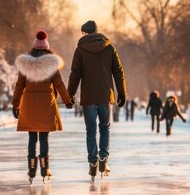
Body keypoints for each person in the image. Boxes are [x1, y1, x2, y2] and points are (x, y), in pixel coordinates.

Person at [68, 20, 126, 182]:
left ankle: (92, 162)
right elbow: (119, 73)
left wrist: (69, 95)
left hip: (88, 98)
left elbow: (75, 74)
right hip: (105, 97)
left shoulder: (80, 50)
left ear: (85, 33)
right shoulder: (109, 48)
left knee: (91, 131)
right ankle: (103, 160)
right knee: (105, 128)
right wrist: (122, 93)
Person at [12, 30, 74, 184]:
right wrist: (67, 101)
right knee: (44, 137)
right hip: (47, 104)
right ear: (47, 48)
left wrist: (15, 104)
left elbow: (19, 86)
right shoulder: (51, 65)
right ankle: (45, 168)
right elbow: (59, 84)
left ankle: (32, 168)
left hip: (29, 105)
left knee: (32, 137)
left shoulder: (26, 65)